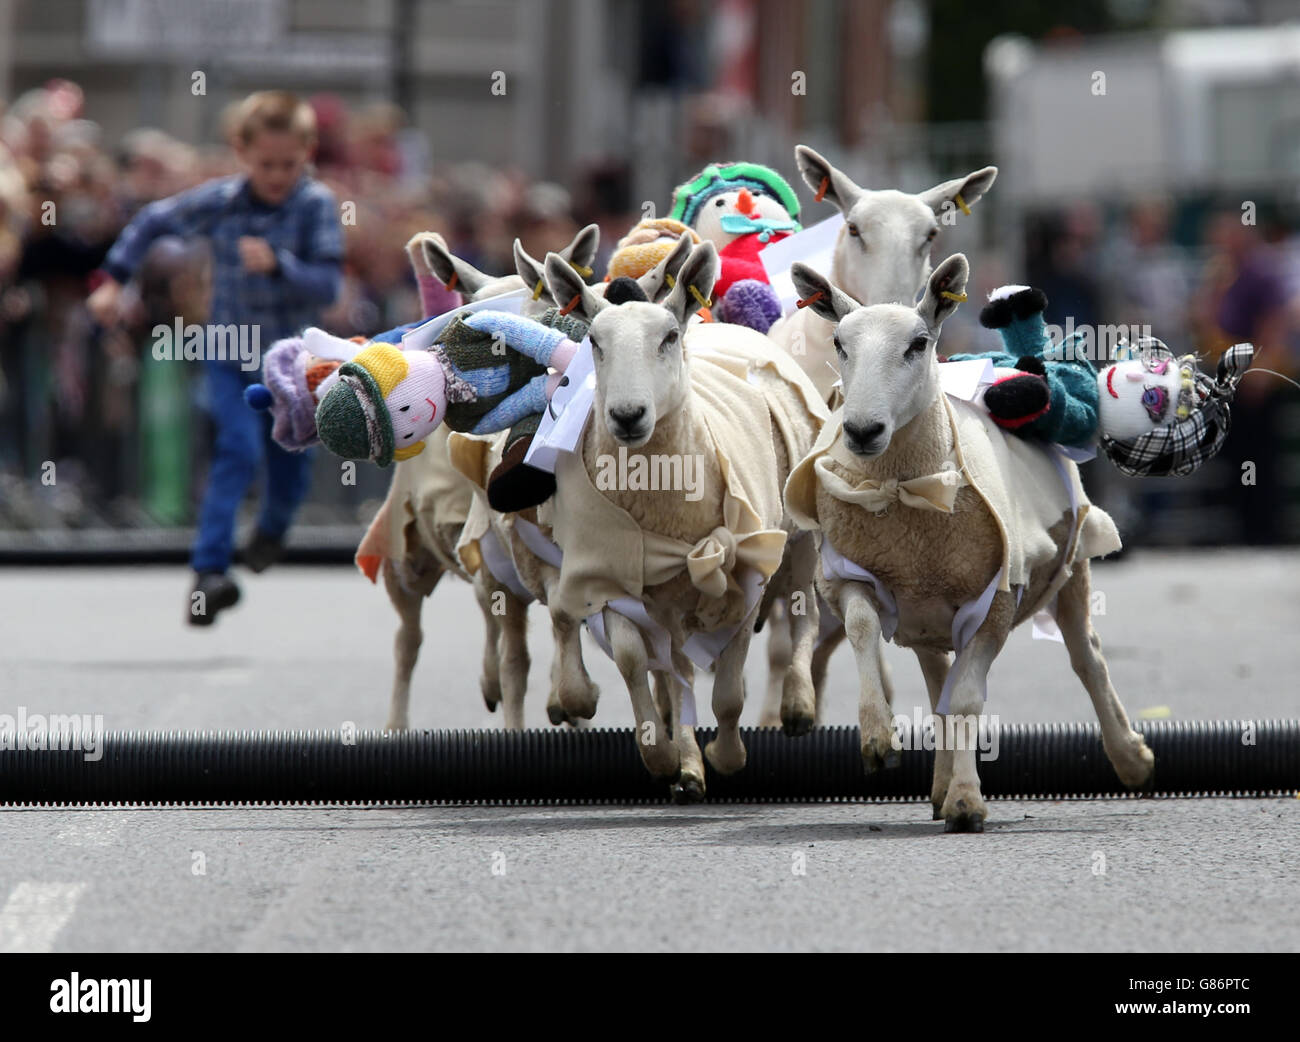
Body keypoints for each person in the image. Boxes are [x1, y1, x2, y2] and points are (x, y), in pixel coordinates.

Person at [88, 91, 343, 624]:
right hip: (231, 350)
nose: (276, 176)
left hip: (292, 361)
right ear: (241, 152)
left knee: (291, 462)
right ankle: (208, 572)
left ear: (307, 152)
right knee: (235, 449)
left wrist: (279, 265)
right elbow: (154, 220)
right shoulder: (223, 201)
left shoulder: (315, 205)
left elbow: (326, 283)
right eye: (265, 164)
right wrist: (113, 279)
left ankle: (272, 528)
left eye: (288, 165)